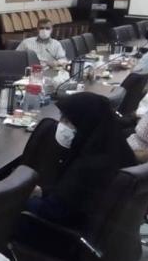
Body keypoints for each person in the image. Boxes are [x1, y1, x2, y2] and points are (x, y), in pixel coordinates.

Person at [20, 92, 136, 237]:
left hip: (65, 234)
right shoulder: (114, 146)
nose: (61, 124)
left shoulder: (90, 166)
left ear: (85, 124)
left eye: (67, 121)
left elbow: (54, 212)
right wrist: (43, 192)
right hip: (97, 228)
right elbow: (72, 195)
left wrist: (19, 198)